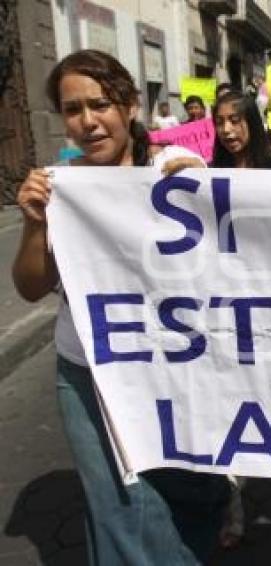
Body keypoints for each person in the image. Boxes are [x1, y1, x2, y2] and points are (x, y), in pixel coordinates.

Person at [12, 49, 230, 565]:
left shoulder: (172, 168)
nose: (88, 121)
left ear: (130, 105)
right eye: (72, 109)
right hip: (90, 372)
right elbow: (29, 287)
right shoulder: (60, 189)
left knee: (196, 491)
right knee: (122, 507)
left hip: (176, 369)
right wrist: (34, 224)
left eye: (101, 104)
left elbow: (241, 227)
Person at [211, 90, 271, 169]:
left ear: (251, 123)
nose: (226, 129)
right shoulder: (211, 171)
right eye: (219, 122)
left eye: (235, 121)